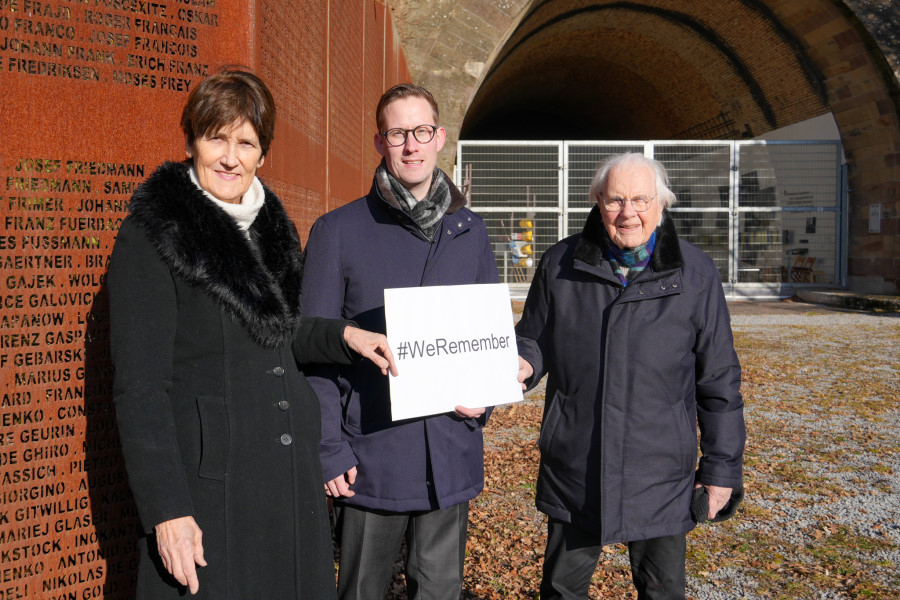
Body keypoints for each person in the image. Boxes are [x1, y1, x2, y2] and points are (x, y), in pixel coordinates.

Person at [108, 67, 396, 599]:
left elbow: (274, 331)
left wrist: (345, 337)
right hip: (211, 487)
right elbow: (140, 389)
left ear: (262, 153)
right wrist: (167, 510)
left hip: (285, 480)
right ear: (192, 141)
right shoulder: (156, 233)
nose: (229, 157)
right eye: (216, 137)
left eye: (246, 142)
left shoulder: (272, 225)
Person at [515, 153, 745, 599]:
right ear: (598, 202)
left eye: (641, 199)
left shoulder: (695, 273)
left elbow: (718, 379)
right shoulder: (560, 263)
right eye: (616, 200)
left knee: (661, 590)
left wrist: (721, 468)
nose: (629, 212)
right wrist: (522, 363)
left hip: (660, 469)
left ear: (661, 203)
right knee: (562, 589)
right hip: (576, 464)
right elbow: (533, 339)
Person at [300, 83, 500, 600]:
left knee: (439, 592)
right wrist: (328, 447)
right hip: (370, 458)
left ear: (439, 138)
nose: (410, 145)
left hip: (448, 453)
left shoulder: (470, 231)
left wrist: (484, 400)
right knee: (362, 591)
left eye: (421, 132)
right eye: (397, 134)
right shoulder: (337, 231)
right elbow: (311, 348)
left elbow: (485, 336)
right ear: (379, 142)